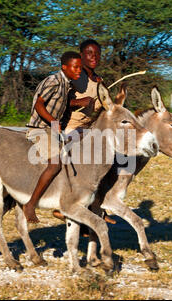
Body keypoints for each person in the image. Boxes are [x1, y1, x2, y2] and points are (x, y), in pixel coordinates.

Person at [54, 40, 116, 229]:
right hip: (69, 127)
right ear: (81, 56)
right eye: (89, 53)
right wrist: (78, 102)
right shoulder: (74, 78)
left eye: (97, 53)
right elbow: (57, 101)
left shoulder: (99, 81)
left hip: (89, 130)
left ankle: (97, 205)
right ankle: (61, 205)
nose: (94, 57)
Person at [23, 51, 82, 223]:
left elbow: (62, 103)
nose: (79, 70)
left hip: (53, 129)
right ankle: (31, 205)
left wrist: (83, 102)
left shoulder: (67, 85)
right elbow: (39, 105)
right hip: (40, 128)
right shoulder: (53, 81)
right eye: (75, 67)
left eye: (80, 67)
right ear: (65, 67)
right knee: (55, 164)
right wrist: (54, 122)